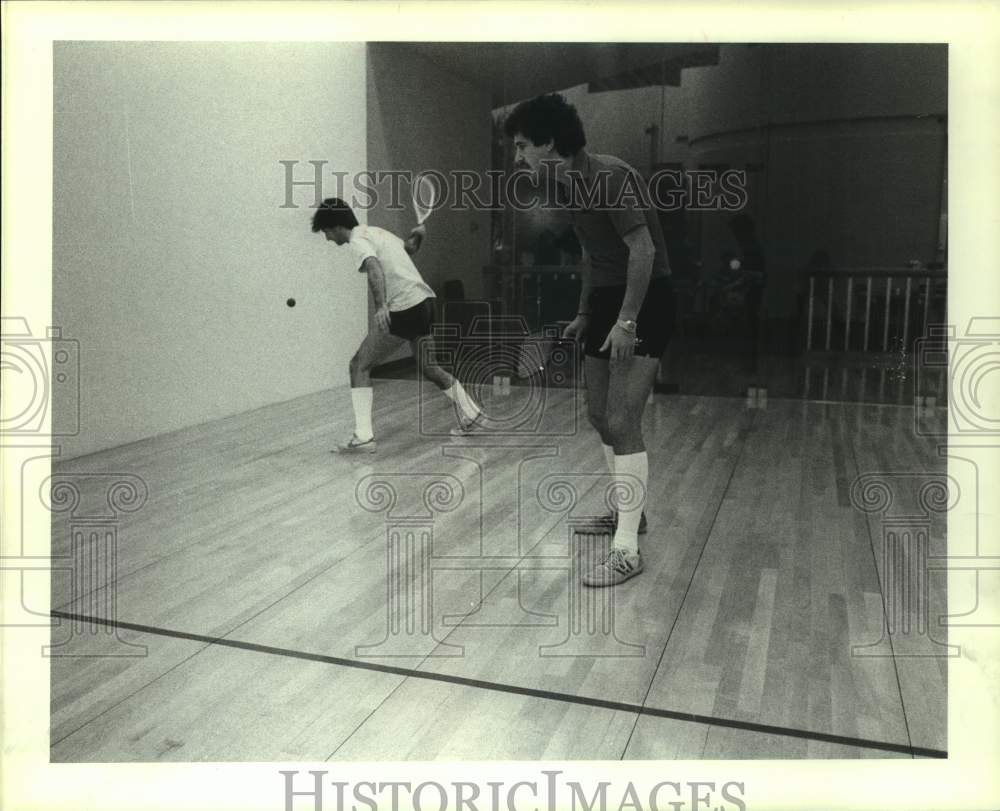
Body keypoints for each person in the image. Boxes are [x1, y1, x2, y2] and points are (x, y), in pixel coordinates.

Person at [503, 94, 675, 588]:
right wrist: (585, 312)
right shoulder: (564, 183)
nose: (517, 157)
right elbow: (591, 254)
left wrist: (626, 320)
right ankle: (630, 515)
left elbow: (641, 250)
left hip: (647, 300)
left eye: (522, 146)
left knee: (623, 419)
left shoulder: (609, 176)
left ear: (549, 142)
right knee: (599, 415)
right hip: (604, 299)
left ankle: (627, 551)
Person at [311, 197, 481, 453]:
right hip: (425, 303)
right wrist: (419, 235)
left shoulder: (358, 241)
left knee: (359, 365)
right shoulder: (378, 232)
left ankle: (363, 436)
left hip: (405, 307)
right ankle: (471, 412)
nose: (327, 238)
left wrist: (381, 306)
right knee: (430, 367)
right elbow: (410, 248)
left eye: (325, 231)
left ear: (335, 226)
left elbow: (374, 268)